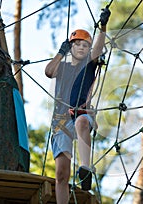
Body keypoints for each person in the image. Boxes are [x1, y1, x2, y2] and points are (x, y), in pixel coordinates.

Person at [45, 7, 110, 204]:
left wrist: (103, 28)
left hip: (80, 113)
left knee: (82, 121)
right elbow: (49, 72)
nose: (81, 48)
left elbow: (98, 48)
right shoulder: (62, 65)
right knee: (61, 174)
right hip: (61, 120)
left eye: (85, 45)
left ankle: (85, 168)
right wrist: (60, 52)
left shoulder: (89, 63)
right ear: (71, 47)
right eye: (77, 45)